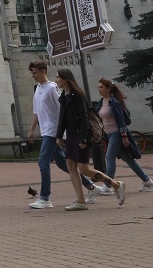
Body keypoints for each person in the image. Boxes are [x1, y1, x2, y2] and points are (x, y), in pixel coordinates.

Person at [25, 60, 97, 209]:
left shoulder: (52, 88)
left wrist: (62, 132)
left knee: (43, 162)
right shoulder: (38, 89)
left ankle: (45, 198)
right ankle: (90, 185)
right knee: (63, 163)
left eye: (35, 72)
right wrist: (32, 130)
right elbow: (36, 112)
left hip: (52, 131)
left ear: (43, 71)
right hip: (45, 130)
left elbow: (63, 110)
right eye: (32, 72)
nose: (33, 75)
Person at [55, 68, 125, 210]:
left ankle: (116, 185)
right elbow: (62, 118)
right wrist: (59, 135)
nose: (56, 80)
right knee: (70, 165)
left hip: (80, 135)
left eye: (58, 77)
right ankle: (80, 201)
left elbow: (84, 119)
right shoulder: (64, 95)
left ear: (66, 79)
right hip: (70, 135)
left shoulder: (78, 95)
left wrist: (83, 139)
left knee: (84, 169)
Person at [96, 78, 153, 192]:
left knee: (109, 157)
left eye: (101, 87)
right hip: (108, 134)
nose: (99, 89)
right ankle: (147, 181)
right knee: (128, 159)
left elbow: (121, 120)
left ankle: (108, 186)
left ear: (108, 89)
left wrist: (124, 136)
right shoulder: (101, 102)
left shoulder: (114, 102)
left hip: (116, 133)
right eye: (98, 87)